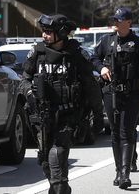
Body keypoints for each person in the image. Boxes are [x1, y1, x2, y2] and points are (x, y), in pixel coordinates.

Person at [21, 14, 104, 194]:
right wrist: (29, 93)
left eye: (49, 32)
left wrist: (98, 115)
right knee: (46, 162)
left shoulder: (75, 54)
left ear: (61, 33)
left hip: (67, 116)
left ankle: (59, 188)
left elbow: (91, 86)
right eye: (43, 31)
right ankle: (62, 189)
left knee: (56, 156)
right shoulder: (37, 52)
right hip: (43, 117)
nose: (44, 35)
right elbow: (24, 79)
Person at [91, 7, 139, 189]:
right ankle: (118, 171)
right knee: (114, 133)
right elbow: (93, 57)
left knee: (126, 132)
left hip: (132, 95)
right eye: (115, 20)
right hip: (111, 93)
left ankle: (125, 173)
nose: (116, 23)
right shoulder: (107, 41)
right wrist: (100, 68)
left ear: (128, 22)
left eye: (120, 20)